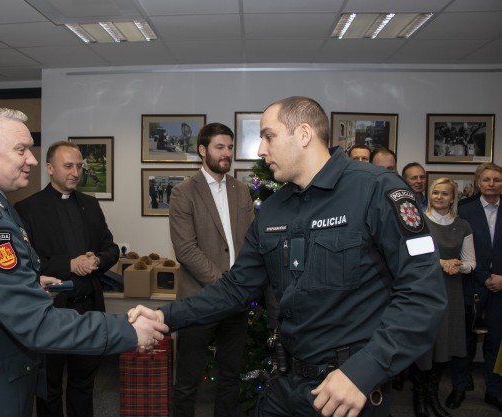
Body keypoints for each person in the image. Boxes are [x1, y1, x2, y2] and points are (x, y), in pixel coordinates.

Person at [130, 96, 446, 417]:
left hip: (344, 392)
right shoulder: (273, 210)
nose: (260, 150)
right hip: (285, 384)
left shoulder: (376, 190)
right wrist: (165, 318)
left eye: (268, 137)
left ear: (304, 134)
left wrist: (364, 371)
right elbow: (234, 288)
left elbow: (423, 296)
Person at [0, 108, 168, 417]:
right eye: (21, 150)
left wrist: (30, 282)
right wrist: (127, 330)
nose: (31, 160)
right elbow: (37, 324)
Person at [14, 141, 119, 417]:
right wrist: (69, 264)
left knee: (84, 384)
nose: (76, 172)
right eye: (68, 166)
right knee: (49, 387)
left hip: (88, 310)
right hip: (51, 311)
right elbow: (25, 261)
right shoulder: (27, 208)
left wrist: (97, 260)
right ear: (49, 168)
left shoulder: (90, 205)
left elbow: (110, 248)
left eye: (79, 166)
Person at [169, 122, 255, 417]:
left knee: (231, 377)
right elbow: (186, 250)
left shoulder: (241, 190)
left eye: (230, 147)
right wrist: (227, 285)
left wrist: (240, 286)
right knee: (187, 382)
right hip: (199, 299)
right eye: (220, 147)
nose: (226, 153)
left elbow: (251, 243)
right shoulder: (183, 192)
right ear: (203, 150)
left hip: (236, 303)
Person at [408, 178, 475, 417]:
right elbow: (412, 254)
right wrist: (441, 263)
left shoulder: (463, 225)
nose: (439, 197)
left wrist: (458, 266)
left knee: (444, 346)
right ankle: (419, 398)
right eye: (435, 192)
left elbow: (471, 262)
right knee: (424, 346)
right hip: (424, 290)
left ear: (453, 198)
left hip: (451, 291)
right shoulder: (418, 221)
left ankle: (432, 397)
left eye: (445, 193)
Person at [456, 162, 502, 412]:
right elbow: (461, 247)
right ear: (478, 183)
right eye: (487, 179)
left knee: (497, 339)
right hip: (473, 283)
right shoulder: (465, 209)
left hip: (501, 285)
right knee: (466, 339)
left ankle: (494, 391)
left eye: (497, 179)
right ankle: (460, 387)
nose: (491, 184)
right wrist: (485, 276)